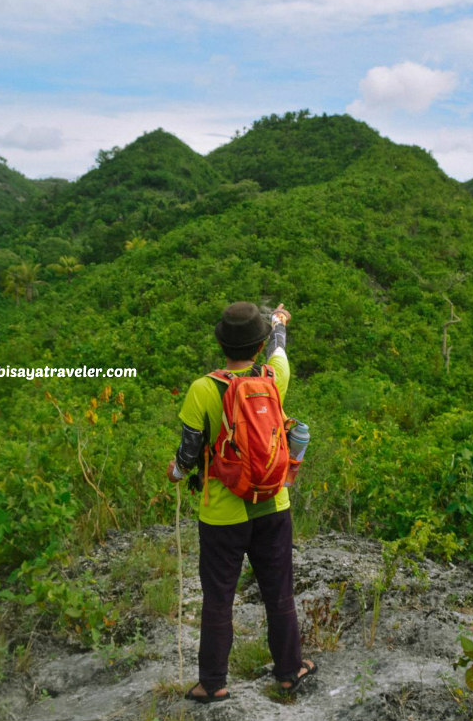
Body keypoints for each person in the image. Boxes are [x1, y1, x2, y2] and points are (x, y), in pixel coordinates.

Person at [167, 301, 316, 703]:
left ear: (221, 343)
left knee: (218, 598)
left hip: (222, 513)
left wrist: (176, 474)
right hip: (273, 504)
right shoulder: (274, 377)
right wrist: (279, 323)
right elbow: (280, 350)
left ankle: (213, 683)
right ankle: (289, 671)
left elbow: (187, 453)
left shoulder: (203, 389)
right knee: (278, 593)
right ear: (260, 342)